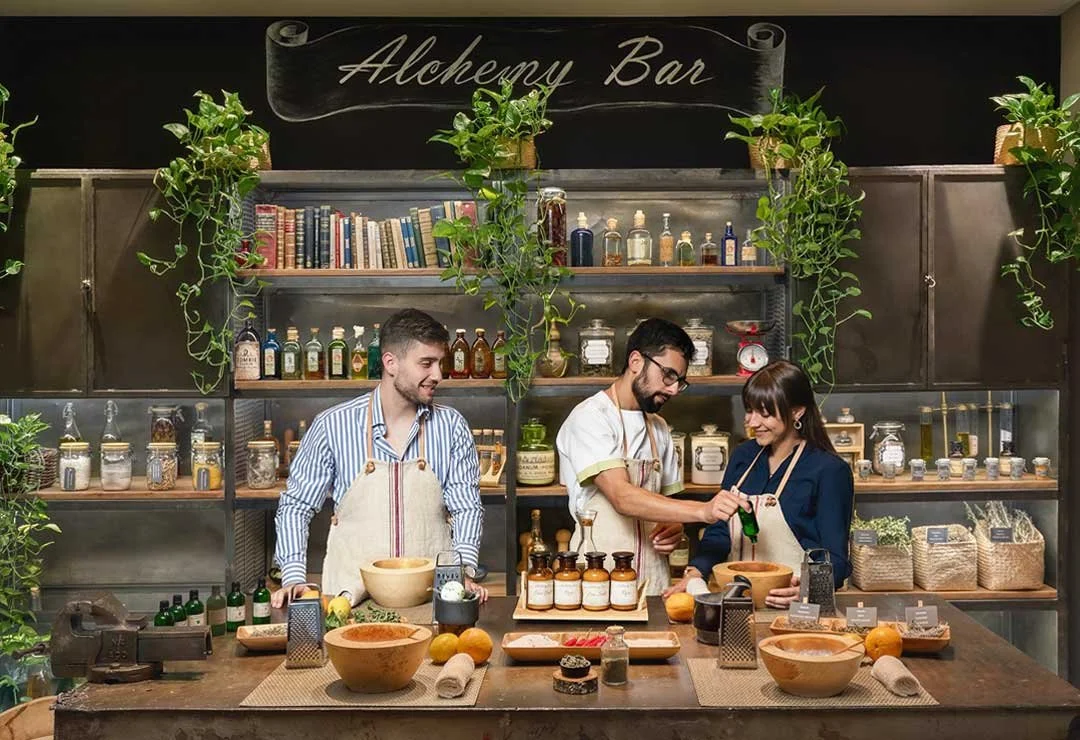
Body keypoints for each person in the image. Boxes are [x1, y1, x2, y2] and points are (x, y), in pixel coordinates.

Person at [272, 309, 487, 607]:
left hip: (430, 600)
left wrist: (462, 569)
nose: (438, 375)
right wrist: (293, 577)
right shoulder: (332, 425)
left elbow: (466, 508)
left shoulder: (452, 426)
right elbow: (296, 506)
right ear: (390, 363)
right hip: (346, 601)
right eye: (426, 363)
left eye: (440, 363)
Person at [556, 318, 747, 595]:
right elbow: (622, 496)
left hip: (655, 584)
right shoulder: (591, 418)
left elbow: (666, 507)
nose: (672, 389)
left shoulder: (658, 428)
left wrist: (675, 528)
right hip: (599, 581)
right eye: (668, 375)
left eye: (679, 382)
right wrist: (703, 511)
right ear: (636, 361)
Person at [664, 359, 854, 608]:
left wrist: (807, 589)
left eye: (764, 413)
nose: (752, 423)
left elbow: (836, 559)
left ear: (797, 411)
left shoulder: (830, 471)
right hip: (735, 604)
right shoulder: (743, 457)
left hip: (795, 611)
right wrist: (696, 571)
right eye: (750, 410)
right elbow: (720, 530)